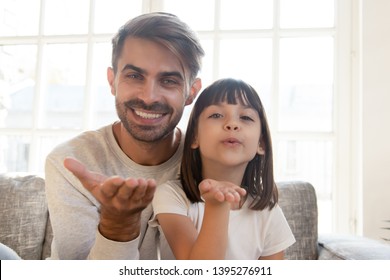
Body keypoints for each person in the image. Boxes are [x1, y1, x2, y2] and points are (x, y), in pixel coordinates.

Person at [44, 12, 204, 259]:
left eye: (169, 80)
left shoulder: (210, 163)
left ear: (191, 92)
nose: (149, 97)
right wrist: (117, 225)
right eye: (134, 76)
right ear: (112, 81)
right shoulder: (70, 161)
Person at [150, 78, 296, 259]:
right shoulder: (171, 196)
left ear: (261, 143)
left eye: (246, 117)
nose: (232, 124)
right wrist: (217, 206)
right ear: (194, 136)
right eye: (217, 115)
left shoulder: (268, 213)